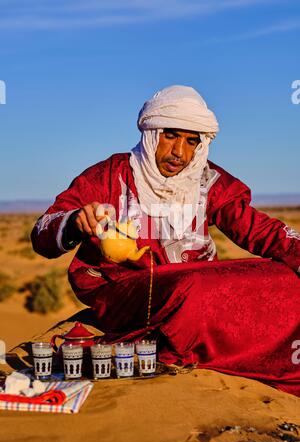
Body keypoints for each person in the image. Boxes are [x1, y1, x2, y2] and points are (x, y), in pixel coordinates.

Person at [31, 85, 300, 395]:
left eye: (191, 141)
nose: (179, 153)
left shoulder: (209, 180)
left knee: (286, 277)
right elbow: (42, 234)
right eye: (171, 136)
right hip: (125, 289)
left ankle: (272, 367)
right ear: (151, 133)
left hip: (193, 285)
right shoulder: (108, 176)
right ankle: (181, 355)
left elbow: (257, 229)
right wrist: (77, 221)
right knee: (193, 291)